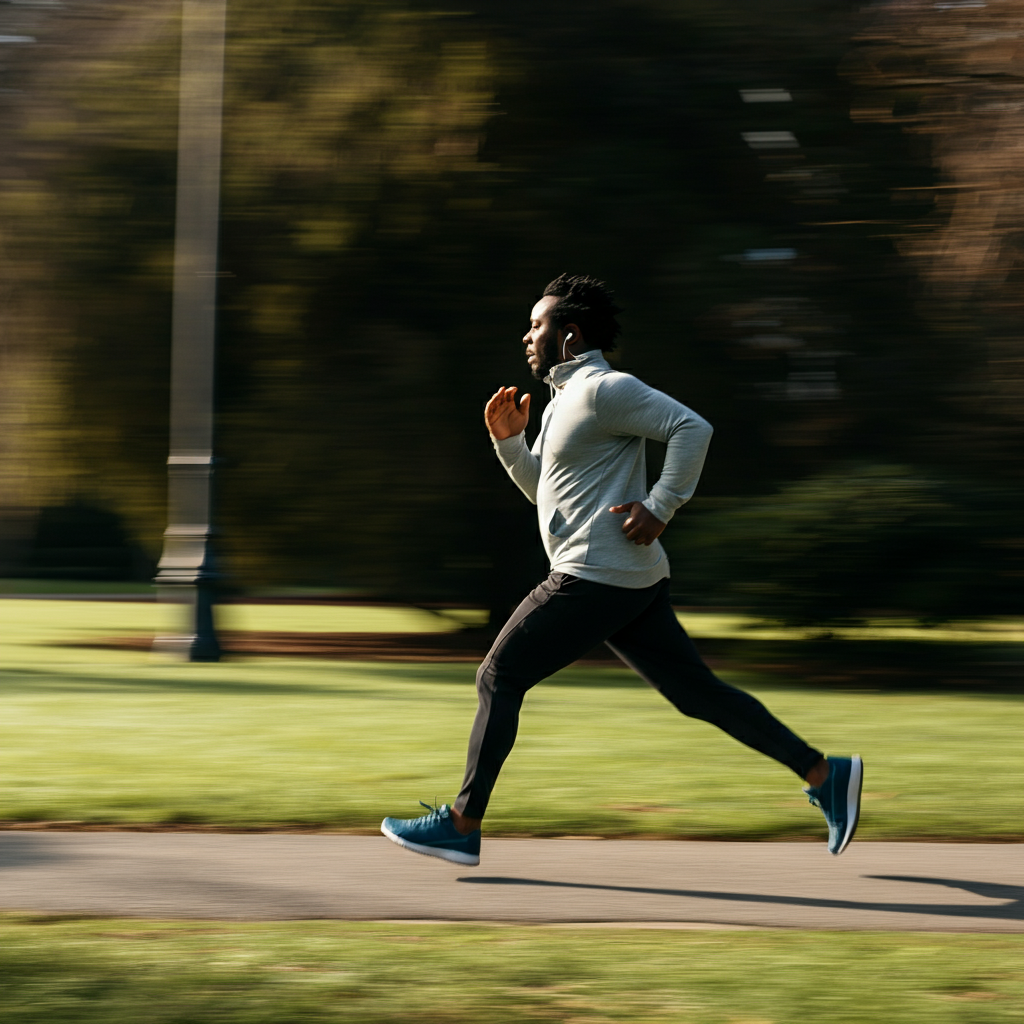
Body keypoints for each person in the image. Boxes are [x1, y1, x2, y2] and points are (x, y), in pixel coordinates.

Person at [382, 274, 862, 866]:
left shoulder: (603, 389)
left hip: (592, 576)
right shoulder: (564, 402)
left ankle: (461, 823)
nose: (526, 335)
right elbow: (548, 495)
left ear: (569, 334)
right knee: (697, 694)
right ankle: (824, 774)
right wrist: (510, 444)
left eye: (537, 325)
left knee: (498, 677)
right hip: (628, 579)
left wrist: (661, 506)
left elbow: (692, 428)